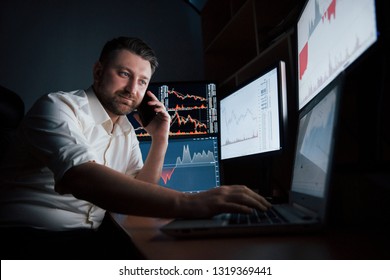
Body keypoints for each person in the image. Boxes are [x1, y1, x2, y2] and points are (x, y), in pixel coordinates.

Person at [0, 36, 271, 259]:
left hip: (86, 238)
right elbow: (80, 177)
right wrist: (193, 202)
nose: (132, 89)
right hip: (28, 239)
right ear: (98, 72)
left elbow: (140, 195)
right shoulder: (58, 107)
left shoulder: (126, 130)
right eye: (123, 74)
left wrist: (160, 139)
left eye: (142, 81)